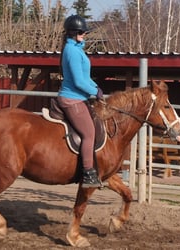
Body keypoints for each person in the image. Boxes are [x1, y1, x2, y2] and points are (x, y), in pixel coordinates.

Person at [57, 15, 104, 188]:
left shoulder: (77, 49)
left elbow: (86, 78)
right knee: (89, 133)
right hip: (72, 99)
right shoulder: (72, 51)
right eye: (83, 32)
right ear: (75, 32)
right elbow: (78, 81)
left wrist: (96, 87)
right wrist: (94, 91)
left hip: (79, 97)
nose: (85, 34)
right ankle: (88, 173)